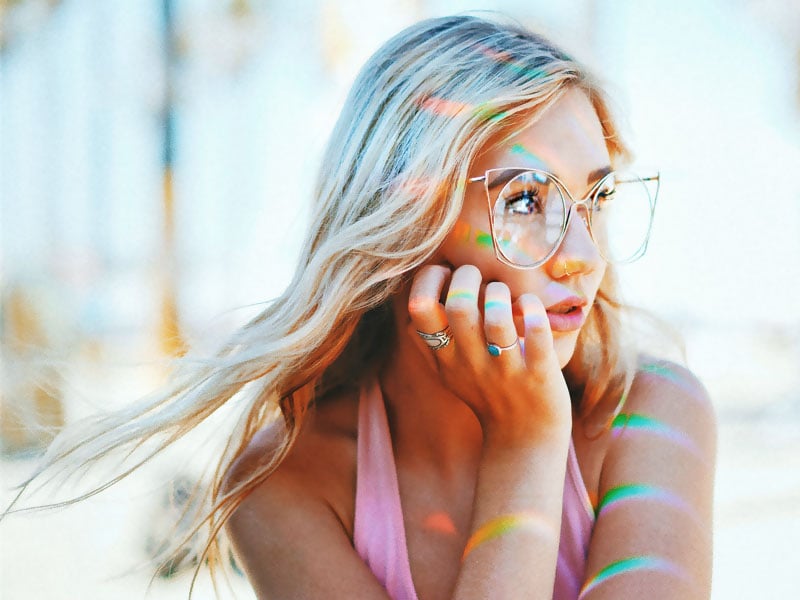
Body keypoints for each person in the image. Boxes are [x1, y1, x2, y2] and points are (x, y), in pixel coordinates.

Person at [11, 14, 716, 600]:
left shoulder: (652, 416)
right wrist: (525, 443)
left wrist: (530, 434)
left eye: (596, 199)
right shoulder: (285, 486)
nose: (584, 257)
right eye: (526, 200)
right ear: (407, 224)